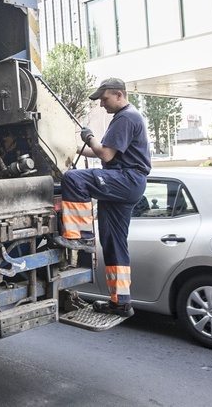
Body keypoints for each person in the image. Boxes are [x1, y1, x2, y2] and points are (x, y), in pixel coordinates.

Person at [52, 78, 150, 318]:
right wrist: (72, 147)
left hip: (126, 179)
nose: (102, 105)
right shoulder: (128, 117)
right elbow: (104, 152)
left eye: (104, 99)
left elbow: (104, 153)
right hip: (128, 182)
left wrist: (89, 137)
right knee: (113, 242)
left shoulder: (126, 117)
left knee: (74, 179)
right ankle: (121, 302)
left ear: (119, 95)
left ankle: (79, 237)